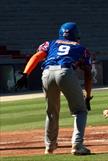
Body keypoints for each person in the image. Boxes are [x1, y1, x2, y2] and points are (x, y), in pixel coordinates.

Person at [15, 22, 93, 155]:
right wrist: (87, 95)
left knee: (51, 112)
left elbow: (37, 56)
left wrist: (25, 74)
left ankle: (50, 146)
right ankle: (77, 145)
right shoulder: (81, 48)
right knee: (80, 111)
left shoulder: (50, 43)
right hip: (65, 72)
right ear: (76, 35)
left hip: (46, 73)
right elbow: (88, 74)